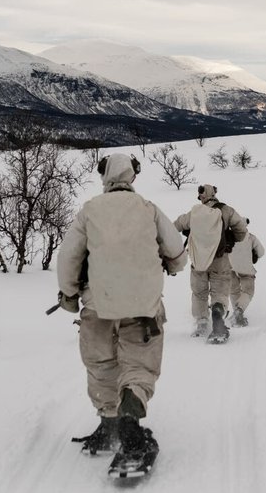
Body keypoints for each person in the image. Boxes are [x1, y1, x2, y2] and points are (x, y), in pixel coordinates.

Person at [57, 153, 187, 463]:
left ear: (104, 176)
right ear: (133, 176)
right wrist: (171, 266)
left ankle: (108, 426)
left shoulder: (89, 210)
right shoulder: (147, 209)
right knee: (140, 364)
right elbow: (178, 254)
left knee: (101, 363)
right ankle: (130, 415)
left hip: (97, 304)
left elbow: (68, 257)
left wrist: (68, 294)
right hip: (143, 307)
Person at [173, 184, 248, 338]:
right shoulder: (227, 211)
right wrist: (231, 239)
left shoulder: (194, 212)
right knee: (219, 292)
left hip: (197, 260)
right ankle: (218, 313)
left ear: (202, 196)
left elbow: (176, 226)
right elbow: (241, 230)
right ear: (214, 193)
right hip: (220, 259)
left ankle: (201, 323)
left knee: (199, 293)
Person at [228, 218, 265, 327]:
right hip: (246, 268)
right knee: (248, 291)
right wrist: (254, 253)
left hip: (229, 267)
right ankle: (239, 311)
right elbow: (261, 252)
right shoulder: (250, 237)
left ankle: (237, 315)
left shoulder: (227, 236)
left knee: (233, 290)